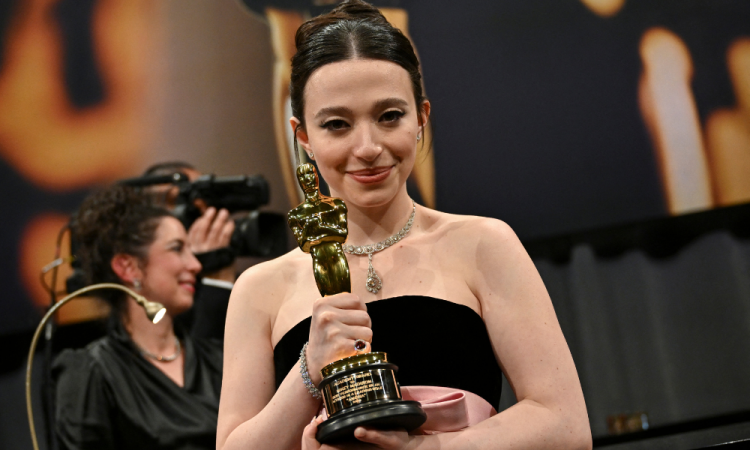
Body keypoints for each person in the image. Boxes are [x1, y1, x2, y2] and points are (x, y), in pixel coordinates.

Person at [217, 1, 592, 449]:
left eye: (389, 116)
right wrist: (307, 373)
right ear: (304, 138)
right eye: (337, 124)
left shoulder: (483, 244)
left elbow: (565, 425)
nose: (368, 146)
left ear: (421, 119)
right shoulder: (260, 289)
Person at [53, 186, 223, 450]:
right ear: (128, 267)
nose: (195, 264)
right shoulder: (92, 373)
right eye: (177, 248)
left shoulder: (215, 358)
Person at [143, 161, 236, 340]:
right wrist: (216, 284)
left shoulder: (235, 273)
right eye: (186, 199)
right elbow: (201, 364)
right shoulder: (149, 292)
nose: (202, 210)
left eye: (204, 196)